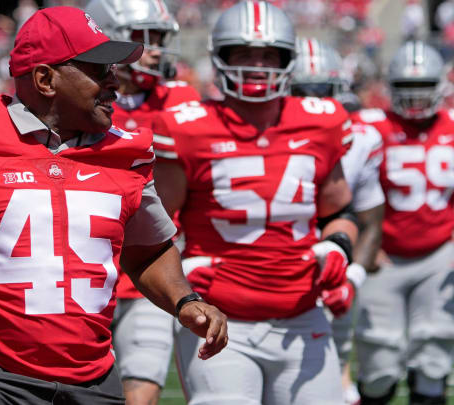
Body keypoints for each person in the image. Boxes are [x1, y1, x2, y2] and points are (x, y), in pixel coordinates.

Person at [0, 6, 228, 405]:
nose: (114, 82)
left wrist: (185, 301)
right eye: (99, 69)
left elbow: (149, 251)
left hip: (94, 376)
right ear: (45, 79)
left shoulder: (127, 152)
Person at [151, 2, 360, 404]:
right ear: (220, 59)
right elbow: (154, 229)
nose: (257, 65)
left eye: (268, 55)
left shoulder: (323, 121)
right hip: (220, 317)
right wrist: (183, 274)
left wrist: (338, 248)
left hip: (302, 315)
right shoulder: (188, 127)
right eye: (243, 54)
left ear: (288, 61)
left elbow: (340, 213)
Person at [83, 1, 200, 403]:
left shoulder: (182, 99)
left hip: (151, 269)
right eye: (143, 38)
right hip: (83, 266)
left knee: (143, 390)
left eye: (160, 39)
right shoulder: (80, 97)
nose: (156, 50)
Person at [352, 40, 454, 405]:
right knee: (379, 366)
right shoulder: (367, 126)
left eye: (424, 87)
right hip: (384, 257)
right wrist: (364, 244)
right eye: (406, 88)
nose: (415, 98)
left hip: (438, 255)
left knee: (433, 360)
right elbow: (340, 190)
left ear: (441, 85)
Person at [292, 36, 386, 405]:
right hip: (274, 263)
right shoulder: (253, 135)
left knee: (335, 365)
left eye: (321, 90)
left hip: (335, 261)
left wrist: (353, 277)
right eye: (303, 90)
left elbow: (370, 217)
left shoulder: (361, 138)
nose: (313, 100)